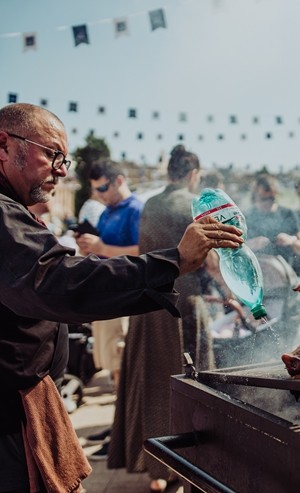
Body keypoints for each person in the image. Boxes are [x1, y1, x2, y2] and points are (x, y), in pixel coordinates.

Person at [0, 103, 243, 493]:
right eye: (53, 154)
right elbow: (59, 282)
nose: (63, 170)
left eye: (66, 159)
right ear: (3, 144)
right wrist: (173, 262)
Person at [107, 145, 225, 492]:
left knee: (153, 387)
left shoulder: (151, 204)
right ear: (193, 174)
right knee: (192, 389)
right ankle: (189, 468)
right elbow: (214, 265)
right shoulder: (193, 207)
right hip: (182, 308)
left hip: (148, 308)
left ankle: (157, 471)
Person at [76, 160, 143, 395]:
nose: (99, 194)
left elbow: (143, 251)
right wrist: (88, 247)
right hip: (106, 294)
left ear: (120, 181)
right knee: (108, 360)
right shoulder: (106, 212)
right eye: (96, 189)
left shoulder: (136, 209)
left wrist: (102, 246)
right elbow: (102, 249)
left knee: (120, 356)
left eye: (103, 188)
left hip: (125, 295)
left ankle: (121, 423)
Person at [244, 173, 300, 273]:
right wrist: (251, 244)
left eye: (271, 198)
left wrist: (291, 240)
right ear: (255, 196)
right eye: (263, 199)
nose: (268, 202)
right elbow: (232, 250)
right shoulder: (246, 217)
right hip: (254, 274)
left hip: (284, 275)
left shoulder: (288, 214)